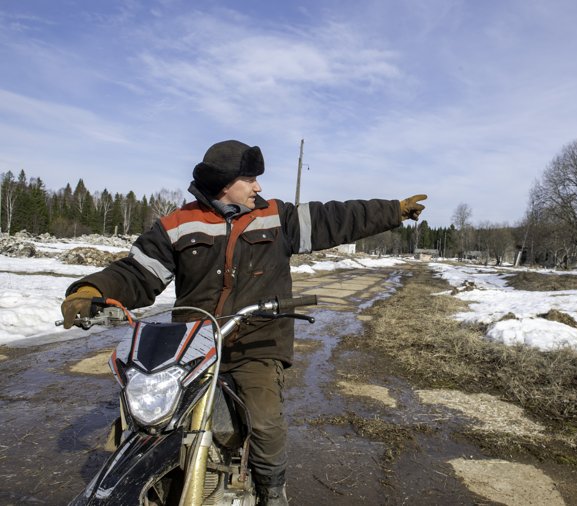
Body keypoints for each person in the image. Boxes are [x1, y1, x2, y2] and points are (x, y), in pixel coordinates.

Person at [60, 140, 426, 506]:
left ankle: (272, 492)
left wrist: (392, 210)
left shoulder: (277, 217)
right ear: (224, 183)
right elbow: (138, 272)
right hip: (192, 345)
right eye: (249, 179)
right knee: (148, 417)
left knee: (264, 421)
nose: (258, 187)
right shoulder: (178, 224)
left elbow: (337, 219)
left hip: (256, 341)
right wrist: (92, 289)